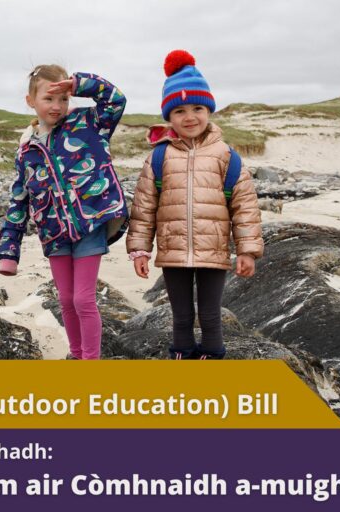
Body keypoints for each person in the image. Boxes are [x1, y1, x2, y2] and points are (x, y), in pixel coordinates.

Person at [126, 50, 264, 360]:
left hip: (213, 251)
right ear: (169, 117)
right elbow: (144, 207)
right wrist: (139, 249)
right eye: (180, 111)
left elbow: (245, 207)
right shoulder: (159, 157)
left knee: (212, 315)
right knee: (181, 315)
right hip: (173, 252)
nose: (190, 117)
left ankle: (213, 359)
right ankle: (183, 358)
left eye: (198, 108)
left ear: (209, 111)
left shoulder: (227, 156)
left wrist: (247, 250)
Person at [0, 65, 129, 360]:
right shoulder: (26, 150)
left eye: (64, 99)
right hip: (53, 232)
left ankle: (91, 361)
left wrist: (81, 84)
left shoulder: (88, 124)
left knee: (83, 299)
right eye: (48, 99)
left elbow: (115, 99)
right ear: (30, 101)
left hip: (90, 222)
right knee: (66, 300)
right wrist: (9, 250)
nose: (57, 106)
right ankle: (77, 354)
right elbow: (19, 200)